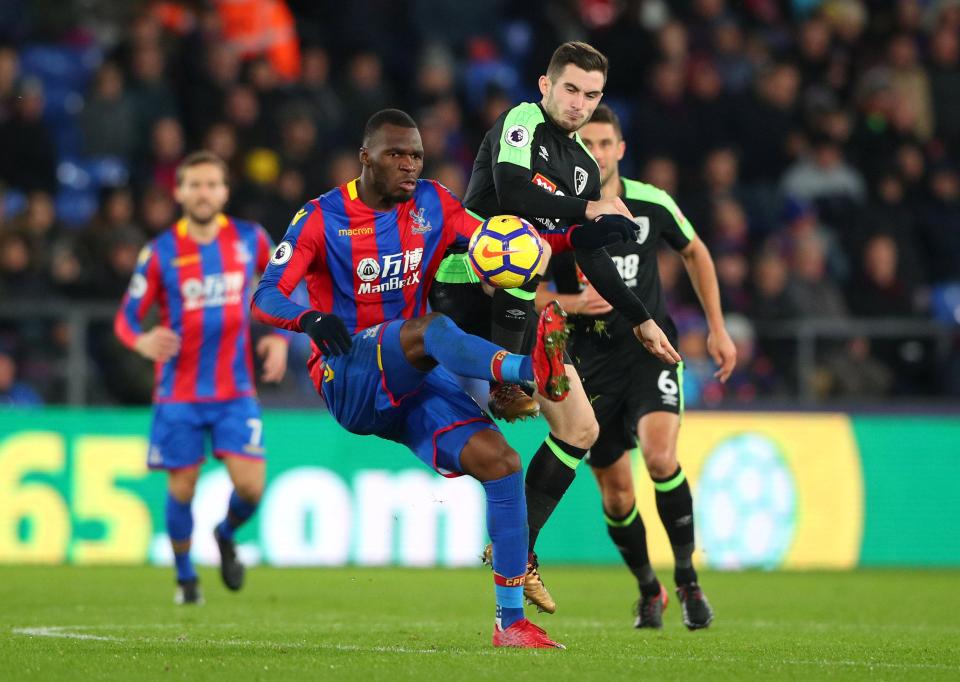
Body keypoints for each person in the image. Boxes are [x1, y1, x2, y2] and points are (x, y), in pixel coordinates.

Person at [251, 108, 624, 649]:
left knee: (502, 464)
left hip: (414, 377)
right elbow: (265, 294)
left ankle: (510, 623)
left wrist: (579, 234)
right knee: (431, 329)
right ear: (365, 158)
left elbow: (506, 245)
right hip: (349, 373)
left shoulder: (434, 203)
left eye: (416, 156)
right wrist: (306, 318)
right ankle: (526, 371)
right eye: (395, 155)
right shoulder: (319, 218)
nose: (408, 166)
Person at [432, 41, 680, 613]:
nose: (579, 104)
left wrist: (640, 318)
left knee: (582, 429)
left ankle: (517, 550)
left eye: (592, 96)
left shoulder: (585, 168)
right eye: (571, 89)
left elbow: (585, 258)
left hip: (520, 299)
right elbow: (514, 196)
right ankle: (505, 376)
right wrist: (590, 212)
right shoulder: (521, 121)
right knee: (522, 252)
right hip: (464, 282)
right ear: (546, 85)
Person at [540, 104, 736, 629]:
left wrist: (717, 327)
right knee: (618, 492)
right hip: (588, 368)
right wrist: (573, 304)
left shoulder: (651, 204)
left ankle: (688, 579)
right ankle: (649, 588)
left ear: (621, 149)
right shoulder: (560, 212)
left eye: (607, 144)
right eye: (589, 145)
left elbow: (695, 252)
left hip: (650, 356)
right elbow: (516, 281)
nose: (599, 153)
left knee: (660, 457)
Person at [115, 151, 289, 605]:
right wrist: (140, 340)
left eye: (212, 184)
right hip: (179, 393)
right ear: (179, 192)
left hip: (235, 391)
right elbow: (126, 319)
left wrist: (276, 336)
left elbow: (281, 289)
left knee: (251, 487)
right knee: (182, 488)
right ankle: (186, 577)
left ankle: (225, 532)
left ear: (225, 191)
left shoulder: (251, 240)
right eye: (194, 184)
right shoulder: (160, 252)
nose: (203, 192)